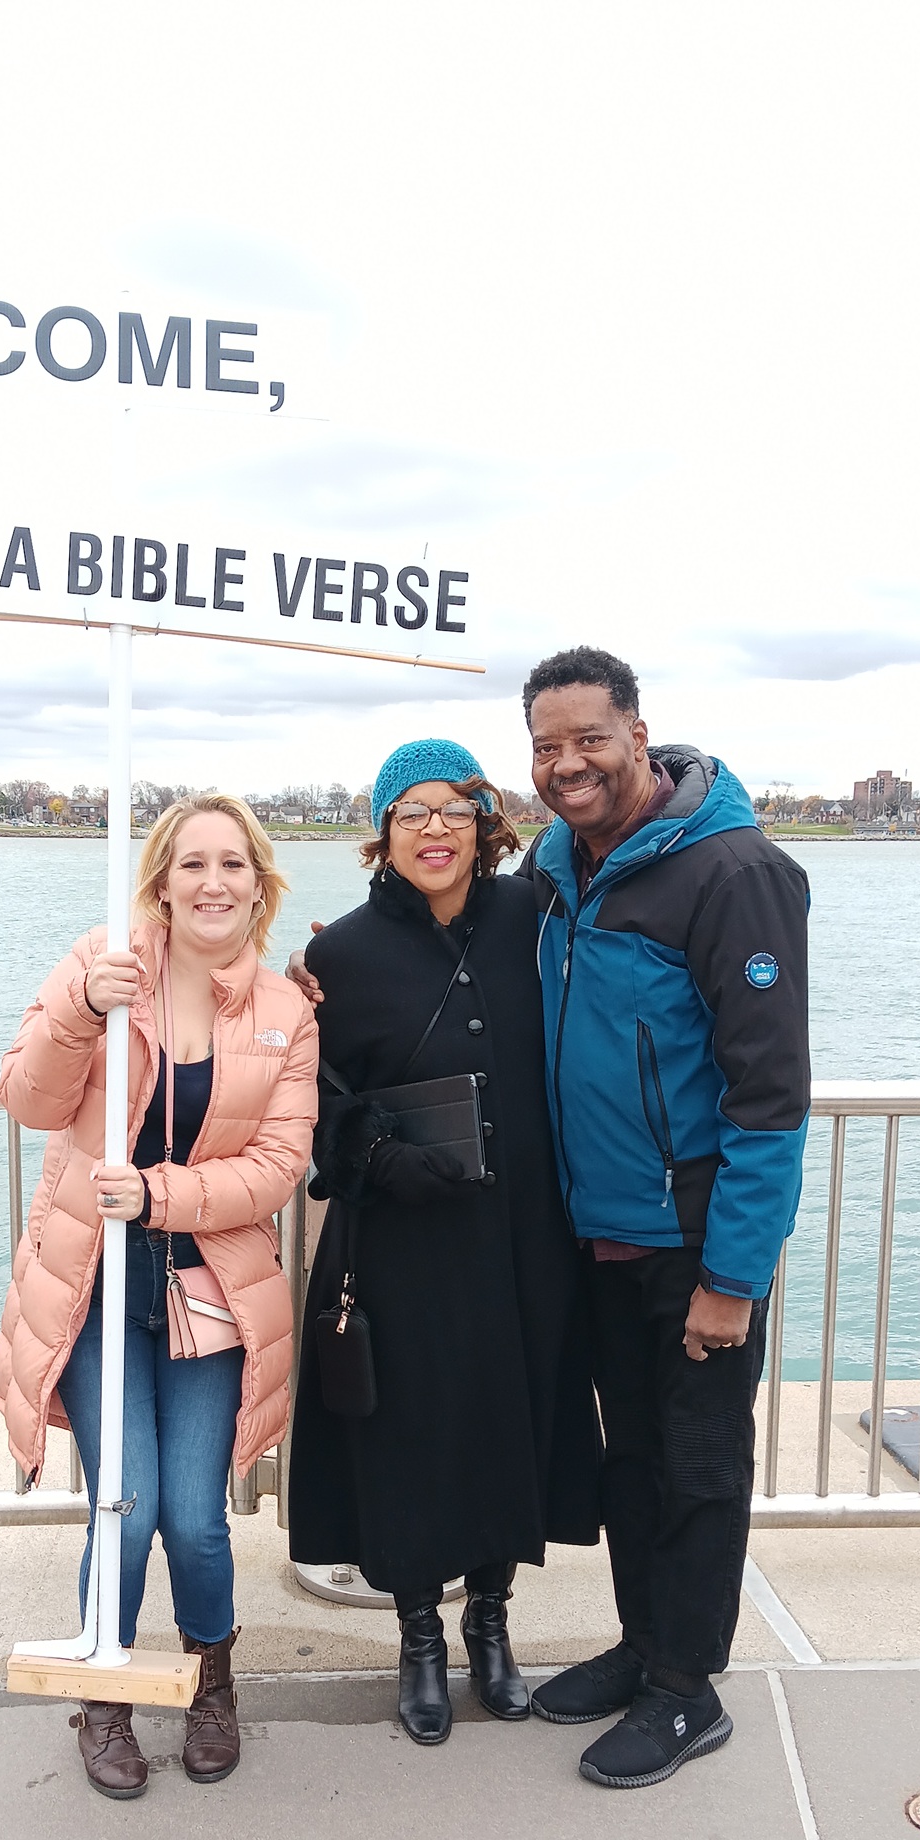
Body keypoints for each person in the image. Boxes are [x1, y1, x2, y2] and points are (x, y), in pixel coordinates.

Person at [517, 646, 811, 1788]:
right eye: (547, 746)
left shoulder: (734, 873)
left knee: (697, 1465)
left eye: (590, 739)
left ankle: (689, 1690)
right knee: (631, 1461)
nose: (569, 764)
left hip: (691, 1241)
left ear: (639, 736)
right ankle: (645, 1646)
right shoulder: (557, 866)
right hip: (597, 1236)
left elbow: (770, 1100)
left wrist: (733, 1280)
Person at [0, 796, 318, 1800]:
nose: (213, 882)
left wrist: (161, 1195)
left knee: (198, 1520)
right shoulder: (104, 966)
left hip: (207, 1295)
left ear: (258, 885)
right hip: (96, 1291)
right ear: (162, 883)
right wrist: (83, 1010)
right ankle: (108, 1692)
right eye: (192, 864)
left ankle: (212, 1683)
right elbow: (29, 1099)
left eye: (233, 864)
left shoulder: (284, 1012)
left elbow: (280, 1166)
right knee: (123, 1511)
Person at [287, 739, 602, 1745]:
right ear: (383, 831)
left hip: (523, 1235)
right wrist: (380, 1157)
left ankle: (491, 1626)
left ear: (484, 825)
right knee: (411, 1440)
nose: (435, 829)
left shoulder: (534, 917)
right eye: (412, 811)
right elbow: (315, 1103)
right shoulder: (337, 957)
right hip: (399, 1243)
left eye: (455, 810)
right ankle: (419, 1638)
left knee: (512, 1425)